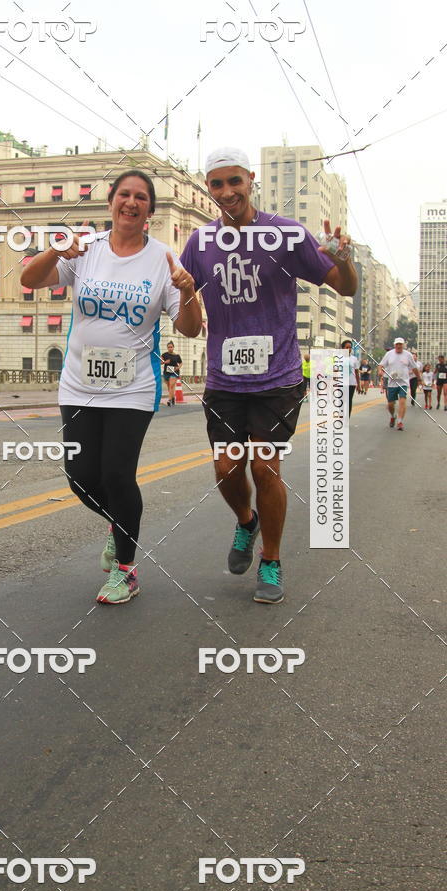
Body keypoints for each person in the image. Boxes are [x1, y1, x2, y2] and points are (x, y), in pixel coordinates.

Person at [180, 147, 358, 604]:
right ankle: (246, 522)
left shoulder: (286, 234)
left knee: (264, 465)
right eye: (217, 184)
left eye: (234, 181)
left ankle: (272, 560)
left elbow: (345, 286)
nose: (227, 192)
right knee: (226, 468)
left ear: (250, 181)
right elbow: (189, 321)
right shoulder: (199, 243)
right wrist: (185, 295)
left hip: (277, 376)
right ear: (209, 189)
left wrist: (345, 258)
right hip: (224, 379)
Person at [21, 170, 201, 604]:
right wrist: (55, 249)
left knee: (117, 475)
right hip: (78, 384)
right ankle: (119, 524)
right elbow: (30, 280)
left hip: (133, 386)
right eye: (124, 194)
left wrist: (189, 291)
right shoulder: (86, 249)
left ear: (150, 211)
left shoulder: (164, 259)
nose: (131, 202)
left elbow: (191, 329)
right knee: (81, 478)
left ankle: (126, 571)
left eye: (141, 197)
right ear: (111, 202)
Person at [378, 338, 421, 430]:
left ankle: (400, 421)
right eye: (397, 344)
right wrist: (380, 371)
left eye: (400, 344)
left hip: (403, 382)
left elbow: (414, 368)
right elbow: (381, 365)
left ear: (403, 345)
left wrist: (419, 378)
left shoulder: (408, 355)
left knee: (402, 401)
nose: (398, 346)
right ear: (394, 345)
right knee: (390, 404)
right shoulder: (389, 354)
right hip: (392, 383)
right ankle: (393, 416)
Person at [341, 339, 361, 417]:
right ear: (343, 348)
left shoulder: (354, 359)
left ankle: (346, 418)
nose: (349, 349)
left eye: (350, 347)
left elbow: (357, 372)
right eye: (347, 347)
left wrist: (359, 385)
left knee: (348, 401)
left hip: (351, 383)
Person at [161, 340, 182, 406]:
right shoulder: (164, 355)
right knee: (169, 387)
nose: (170, 348)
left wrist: (178, 367)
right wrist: (165, 362)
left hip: (174, 372)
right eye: (169, 347)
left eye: (171, 347)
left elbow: (180, 363)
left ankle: (169, 400)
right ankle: (173, 398)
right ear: (167, 348)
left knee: (171, 385)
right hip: (166, 372)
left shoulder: (177, 356)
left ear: (173, 347)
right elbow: (159, 362)